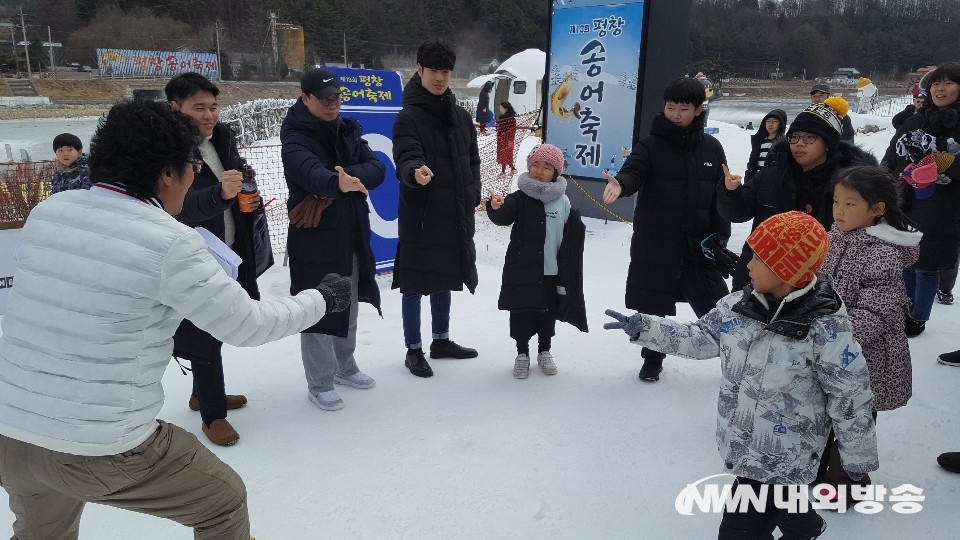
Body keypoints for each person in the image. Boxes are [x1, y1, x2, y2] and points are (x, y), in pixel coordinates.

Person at [0, 99, 352, 539]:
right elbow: (250, 325)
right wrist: (321, 298)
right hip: (103, 445)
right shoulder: (169, 242)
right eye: (190, 165)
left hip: (12, 435)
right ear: (167, 172)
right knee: (221, 503)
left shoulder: (48, 214)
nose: (193, 176)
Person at [604, 211, 878, 539]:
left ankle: (801, 526)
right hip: (741, 437)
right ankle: (806, 526)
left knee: (741, 528)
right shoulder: (737, 306)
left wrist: (857, 456)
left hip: (788, 451)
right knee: (785, 499)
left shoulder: (826, 328)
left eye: (759, 259)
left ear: (787, 271)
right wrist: (647, 327)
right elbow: (699, 336)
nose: (746, 265)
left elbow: (850, 394)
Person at [600, 77, 732, 382]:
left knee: (717, 309)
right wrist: (622, 184)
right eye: (670, 107)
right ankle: (652, 358)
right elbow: (634, 171)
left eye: (682, 108)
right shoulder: (651, 145)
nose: (675, 114)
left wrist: (720, 236)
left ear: (699, 110)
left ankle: (736, 360)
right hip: (658, 244)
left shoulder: (712, 148)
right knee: (654, 306)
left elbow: (719, 197)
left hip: (699, 246)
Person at [281, 67, 385, 410]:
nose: (332, 104)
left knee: (350, 302)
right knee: (316, 309)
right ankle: (319, 381)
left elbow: (378, 167)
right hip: (315, 237)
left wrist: (347, 175)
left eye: (337, 97)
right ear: (305, 99)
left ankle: (345, 365)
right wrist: (335, 182)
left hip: (351, 230)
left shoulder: (348, 129)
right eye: (324, 99)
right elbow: (309, 172)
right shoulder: (294, 135)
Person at [165, 72, 259, 446]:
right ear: (176, 108)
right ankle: (212, 414)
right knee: (201, 329)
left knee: (215, 325)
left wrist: (242, 191)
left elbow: (233, 185)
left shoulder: (220, 139)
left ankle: (203, 393)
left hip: (227, 250)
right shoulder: (167, 151)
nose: (209, 115)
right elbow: (177, 206)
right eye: (198, 108)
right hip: (192, 255)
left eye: (213, 107)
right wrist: (220, 194)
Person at [818, 166, 921, 503]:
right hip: (830, 351)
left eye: (850, 204)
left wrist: (835, 338)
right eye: (836, 201)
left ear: (878, 209)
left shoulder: (883, 253)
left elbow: (876, 311)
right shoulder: (832, 237)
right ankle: (819, 471)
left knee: (854, 423)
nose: (839, 210)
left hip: (867, 359)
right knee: (824, 415)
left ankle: (848, 484)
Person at [391, 39, 482, 378]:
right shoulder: (408, 117)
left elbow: (471, 159)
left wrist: (473, 192)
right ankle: (413, 349)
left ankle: (440, 341)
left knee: (445, 277)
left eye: (445, 71)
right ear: (419, 69)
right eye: (434, 70)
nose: (440, 77)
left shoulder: (460, 116)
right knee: (414, 283)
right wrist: (415, 172)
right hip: (421, 213)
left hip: (453, 211)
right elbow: (406, 155)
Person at [718, 100, 876, 290]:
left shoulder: (849, 184)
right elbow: (738, 212)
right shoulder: (773, 172)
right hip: (760, 275)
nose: (799, 144)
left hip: (815, 282)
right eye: (794, 137)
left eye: (809, 138)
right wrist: (730, 191)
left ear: (827, 143)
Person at [487, 144, 587, 378]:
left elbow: (570, 235)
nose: (539, 171)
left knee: (547, 312)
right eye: (535, 165)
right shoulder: (519, 198)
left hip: (551, 271)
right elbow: (503, 217)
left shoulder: (562, 201)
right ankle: (522, 354)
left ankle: (545, 351)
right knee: (521, 312)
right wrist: (494, 208)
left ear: (556, 172)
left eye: (546, 167)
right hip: (522, 270)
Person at [881, 62, 960, 337]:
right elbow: (893, 151)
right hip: (906, 200)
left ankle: (917, 318)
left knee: (927, 264)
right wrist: (882, 178)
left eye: (949, 83)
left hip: (943, 207)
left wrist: (947, 163)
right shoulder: (917, 118)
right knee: (906, 259)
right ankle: (905, 308)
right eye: (937, 83)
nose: (941, 88)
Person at [744, 108, 786, 184]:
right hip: (756, 180)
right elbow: (751, 164)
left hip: (773, 182)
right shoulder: (759, 142)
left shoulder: (783, 144)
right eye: (768, 121)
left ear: (780, 124)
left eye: (774, 121)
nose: (770, 124)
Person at [496, 101, 518, 175]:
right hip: (501, 140)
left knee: (507, 155)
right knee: (502, 155)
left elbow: (512, 131)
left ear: (506, 109)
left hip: (508, 140)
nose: (500, 110)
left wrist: (508, 139)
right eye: (500, 108)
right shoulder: (501, 119)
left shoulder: (511, 119)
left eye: (502, 108)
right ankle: (506, 170)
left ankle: (509, 170)